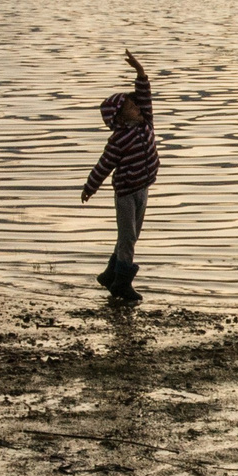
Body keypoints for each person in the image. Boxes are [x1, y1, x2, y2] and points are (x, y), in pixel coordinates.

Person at [81, 50, 157, 304]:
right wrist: (90, 187)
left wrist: (141, 73)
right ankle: (122, 284)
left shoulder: (146, 122)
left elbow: (145, 95)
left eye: (137, 105)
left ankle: (110, 274)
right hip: (125, 192)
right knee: (128, 238)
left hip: (143, 188)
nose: (137, 107)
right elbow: (104, 165)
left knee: (131, 235)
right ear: (120, 116)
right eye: (131, 106)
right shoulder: (119, 139)